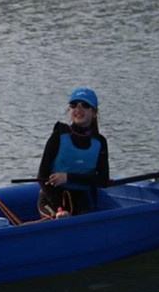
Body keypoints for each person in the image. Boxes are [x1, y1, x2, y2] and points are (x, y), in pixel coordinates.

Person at [36, 87, 109, 218]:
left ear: (94, 112)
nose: (78, 110)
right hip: (53, 199)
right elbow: (42, 176)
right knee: (61, 218)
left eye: (85, 105)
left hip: (81, 200)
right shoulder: (58, 135)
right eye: (74, 105)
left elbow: (103, 180)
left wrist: (68, 177)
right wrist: (59, 208)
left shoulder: (100, 142)